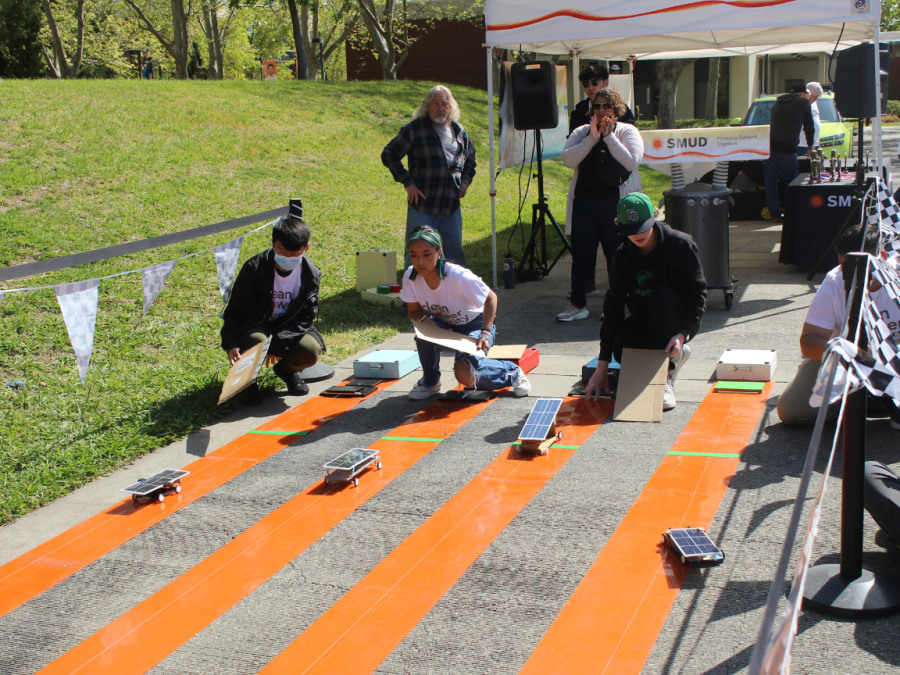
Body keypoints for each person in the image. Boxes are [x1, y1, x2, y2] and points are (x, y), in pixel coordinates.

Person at [584, 193, 707, 410]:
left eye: (643, 227)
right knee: (622, 349)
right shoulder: (622, 257)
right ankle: (673, 356)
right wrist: (602, 365)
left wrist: (682, 333)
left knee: (661, 296)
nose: (638, 235)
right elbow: (613, 309)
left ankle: (666, 372)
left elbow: (697, 294)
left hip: (676, 318)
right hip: (643, 317)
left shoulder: (680, 244)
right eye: (630, 230)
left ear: (654, 217)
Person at [777, 224, 900, 427]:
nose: (851, 273)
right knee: (793, 411)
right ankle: (861, 395)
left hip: (893, 357)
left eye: (862, 265)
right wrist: (848, 354)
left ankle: (878, 395)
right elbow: (809, 341)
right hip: (846, 358)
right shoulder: (834, 282)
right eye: (845, 265)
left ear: (883, 258)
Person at [401, 226, 531, 400]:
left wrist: (485, 332)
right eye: (414, 255)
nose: (420, 261)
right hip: (444, 324)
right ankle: (430, 382)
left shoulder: (458, 276)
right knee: (422, 333)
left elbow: (491, 298)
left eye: (426, 254)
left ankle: (511, 371)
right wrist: (424, 319)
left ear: (439, 252)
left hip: (475, 324)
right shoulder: (410, 276)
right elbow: (415, 312)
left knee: (465, 375)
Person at [221, 203, 325, 405]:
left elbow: (306, 315)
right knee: (257, 340)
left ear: (306, 248)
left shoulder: (311, 274)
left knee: (310, 352)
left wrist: (281, 341)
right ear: (273, 244)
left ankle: (286, 371)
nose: (287, 258)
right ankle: (247, 383)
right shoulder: (255, 268)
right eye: (282, 251)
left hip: (289, 326)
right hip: (258, 324)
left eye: (295, 254)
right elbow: (235, 309)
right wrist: (231, 343)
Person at [557, 88, 644, 322]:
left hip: (614, 203)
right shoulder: (582, 132)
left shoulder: (628, 131)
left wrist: (609, 137)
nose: (601, 110)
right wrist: (592, 138)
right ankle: (577, 304)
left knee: (616, 255)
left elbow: (631, 161)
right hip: (584, 202)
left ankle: (615, 305)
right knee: (582, 255)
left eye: (607, 106)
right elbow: (568, 159)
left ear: (616, 111)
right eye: (597, 106)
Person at [382, 85, 476, 270]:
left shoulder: (459, 131)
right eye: (435, 104)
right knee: (418, 257)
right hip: (423, 207)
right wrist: (408, 183)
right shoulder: (414, 129)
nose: (440, 108)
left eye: (444, 104)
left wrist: (465, 182)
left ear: (450, 107)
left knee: (455, 258)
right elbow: (389, 154)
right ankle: (413, 298)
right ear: (427, 106)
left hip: (451, 208)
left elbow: (470, 159)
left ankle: (454, 298)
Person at [764, 84, 815, 224]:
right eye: (806, 94)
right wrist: (810, 146)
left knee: (771, 184)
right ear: (801, 93)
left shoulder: (778, 101)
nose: (807, 96)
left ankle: (774, 214)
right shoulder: (803, 102)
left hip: (768, 148)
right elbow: (809, 127)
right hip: (787, 148)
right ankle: (790, 213)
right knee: (790, 183)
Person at [568, 64, 636, 134]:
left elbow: (631, 136)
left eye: (595, 82)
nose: (590, 87)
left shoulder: (621, 109)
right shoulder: (577, 113)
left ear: (606, 83)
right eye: (586, 84)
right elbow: (573, 142)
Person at [796, 82, 822, 157]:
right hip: (802, 146)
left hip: (815, 145)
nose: (816, 99)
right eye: (815, 97)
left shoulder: (814, 103)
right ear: (808, 93)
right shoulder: (799, 104)